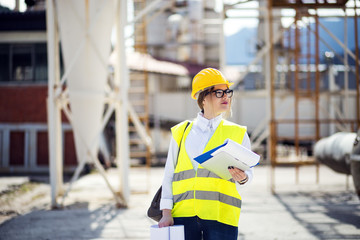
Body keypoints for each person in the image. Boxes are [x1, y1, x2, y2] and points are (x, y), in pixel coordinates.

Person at [158, 68, 254, 240]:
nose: (226, 97)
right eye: (219, 92)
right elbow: (169, 174)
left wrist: (243, 177)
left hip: (221, 215)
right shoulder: (181, 132)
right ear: (203, 98)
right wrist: (166, 212)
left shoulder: (238, 133)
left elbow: (249, 173)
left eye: (227, 92)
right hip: (183, 215)